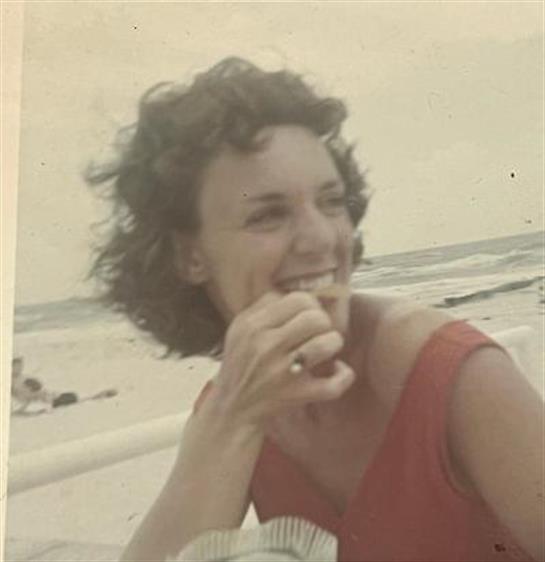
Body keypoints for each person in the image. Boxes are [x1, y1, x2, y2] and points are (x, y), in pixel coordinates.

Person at [86, 58, 544, 561]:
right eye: (268, 214)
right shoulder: (236, 403)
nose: (323, 238)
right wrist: (234, 419)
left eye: (331, 202)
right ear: (188, 255)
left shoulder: (453, 376)